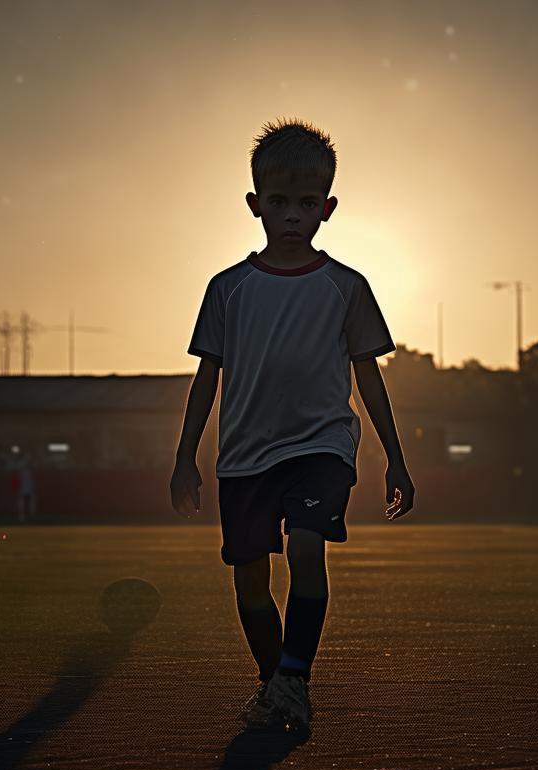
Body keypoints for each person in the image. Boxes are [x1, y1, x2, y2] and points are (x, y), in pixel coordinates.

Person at [170, 118, 415, 732]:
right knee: (251, 582)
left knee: (307, 551)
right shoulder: (227, 289)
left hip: (321, 446)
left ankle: (295, 680)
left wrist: (396, 457)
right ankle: (273, 683)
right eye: (277, 201)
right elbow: (206, 380)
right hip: (244, 456)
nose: (291, 215)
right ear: (255, 203)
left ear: (327, 208)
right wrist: (183, 458)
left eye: (307, 203)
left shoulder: (346, 287)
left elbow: (370, 378)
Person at [17, 456, 36, 522]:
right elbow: (19, 481)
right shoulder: (22, 472)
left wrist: (33, 489)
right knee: (22, 505)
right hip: (23, 489)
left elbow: (32, 481)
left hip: (29, 490)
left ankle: (30, 517)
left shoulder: (30, 472)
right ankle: (22, 517)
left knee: (30, 504)